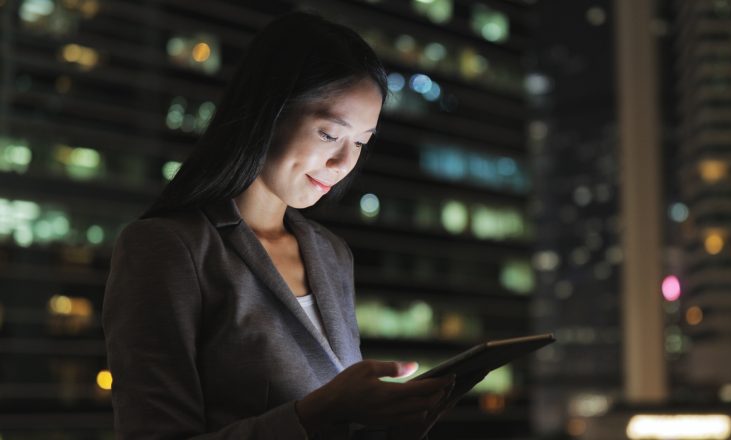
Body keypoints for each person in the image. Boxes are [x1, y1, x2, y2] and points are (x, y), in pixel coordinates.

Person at [102, 11, 485, 439]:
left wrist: (390, 420)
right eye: (328, 134)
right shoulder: (169, 247)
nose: (343, 163)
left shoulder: (331, 252)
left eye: (360, 142)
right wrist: (315, 413)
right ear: (271, 111)